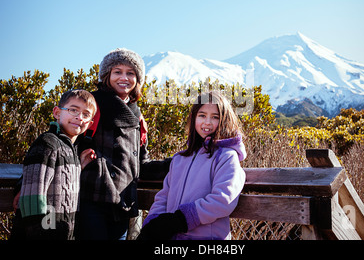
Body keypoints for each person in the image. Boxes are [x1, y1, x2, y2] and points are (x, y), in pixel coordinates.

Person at [76, 48, 171, 240]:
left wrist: (178, 163)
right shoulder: (90, 105)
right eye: (117, 71)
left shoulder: (137, 117)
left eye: (130, 73)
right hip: (91, 201)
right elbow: (60, 143)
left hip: (122, 205)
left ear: (138, 79)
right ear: (106, 75)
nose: (124, 78)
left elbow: (141, 165)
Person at [138, 91, 247, 240]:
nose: (207, 122)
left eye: (215, 117)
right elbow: (163, 197)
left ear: (224, 120)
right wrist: (152, 224)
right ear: (194, 118)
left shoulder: (226, 157)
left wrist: (182, 219)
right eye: (202, 115)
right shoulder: (180, 159)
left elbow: (223, 200)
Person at [17, 90, 97, 240]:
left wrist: (79, 167)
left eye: (86, 114)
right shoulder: (47, 143)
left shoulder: (70, 149)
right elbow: (34, 198)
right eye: (73, 110)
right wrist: (43, 233)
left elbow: (62, 184)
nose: (79, 117)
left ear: (90, 123)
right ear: (57, 112)